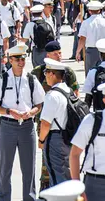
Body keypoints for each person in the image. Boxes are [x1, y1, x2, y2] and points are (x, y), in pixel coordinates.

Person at [0, 45, 45, 201]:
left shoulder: (31, 79)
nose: (21, 62)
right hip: (7, 126)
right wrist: (9, 112)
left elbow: (39, 104)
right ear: (10, 60)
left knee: (29, 169)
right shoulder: (2, 79)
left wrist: (31, 112)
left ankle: (30, 198)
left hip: (27, 127)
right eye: (18, 59)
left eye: (23, 59)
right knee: (5, 168)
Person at [38, 58, 73, 187]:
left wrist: (41, 140)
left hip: (55, 139)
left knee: (56, 175)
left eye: (47, 72)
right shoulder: (68, 91)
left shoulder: (52, 95)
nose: (45, 75)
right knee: (66, 173)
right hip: (68, 137)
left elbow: (45, 123)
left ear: (52, 74)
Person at [75, 0, 105, 73]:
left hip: (91, 51)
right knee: (103, 71)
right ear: (99, 10)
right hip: (104, 51)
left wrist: (78, 52)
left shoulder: (86, 22)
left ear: (89, 11)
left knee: (91, 72)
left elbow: (82, 39)